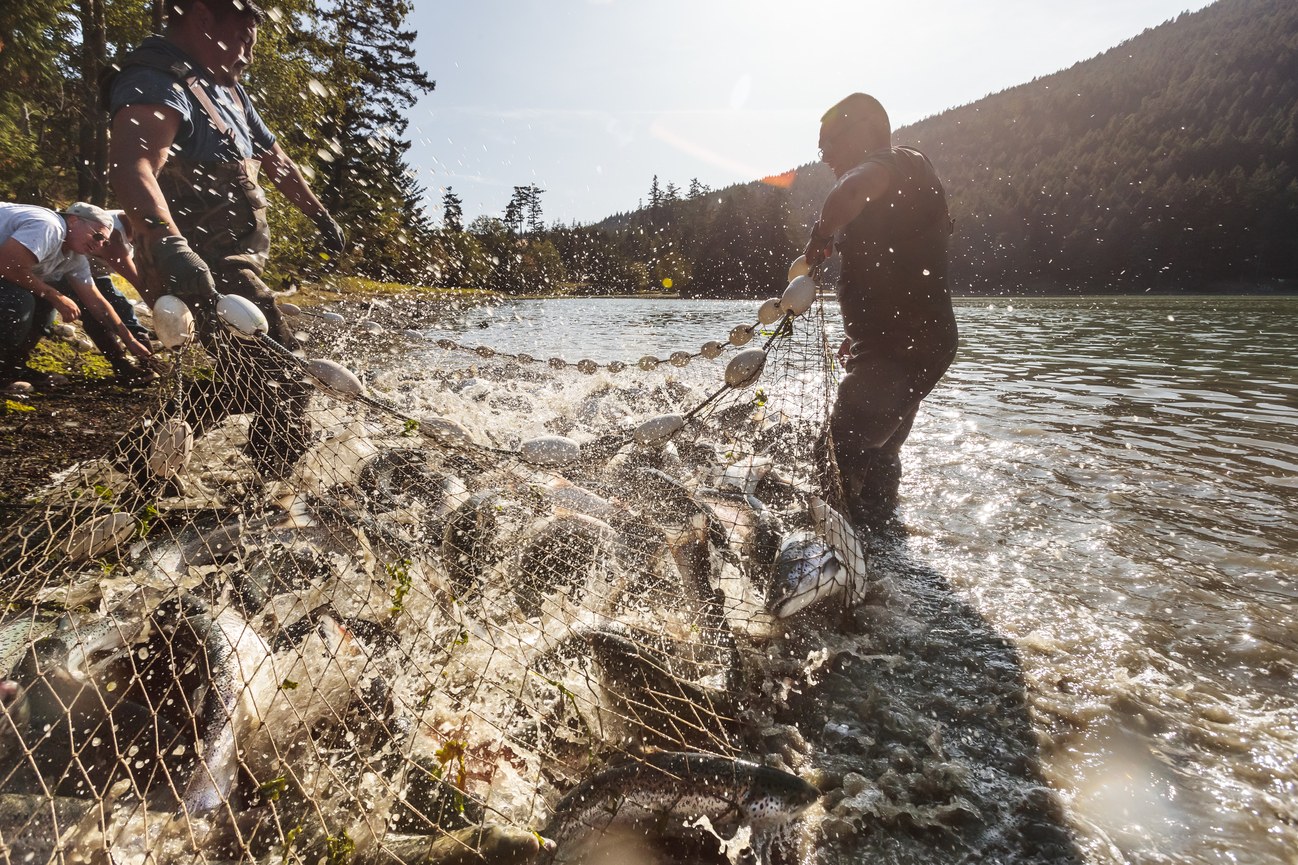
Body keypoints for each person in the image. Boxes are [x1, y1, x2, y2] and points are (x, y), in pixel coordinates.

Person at [104, 0, 346, 478]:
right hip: (201, 267)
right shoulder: (156, 81)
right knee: (285, 375)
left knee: (242, 379)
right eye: (242, 39)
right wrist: (169, 245)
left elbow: (276, 161)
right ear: (202, 17)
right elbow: (132, 167)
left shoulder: (227, 93)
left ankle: (138, 457)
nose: (248, 54)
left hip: (237, 265)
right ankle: (276, 489)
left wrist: (319, 215)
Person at [804, 93, 958, 535]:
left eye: (829, 142)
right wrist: (861, 333)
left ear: (864, 132)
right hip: (904, 344)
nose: (825, 156)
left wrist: (819, 237)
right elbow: (894, 268)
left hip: (901, 350)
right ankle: (881, 544)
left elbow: (850, 190)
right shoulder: (898, 183)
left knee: (836, 453)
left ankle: (835, 557)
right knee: (880, 452)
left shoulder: (893, 164)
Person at [0, 201, 153, 389]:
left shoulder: (74, 258)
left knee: (44, 310)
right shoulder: (49, 226)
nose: (98, 245)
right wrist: (55, 295)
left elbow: (96, 302)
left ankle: (11, 367)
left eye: (103, 242)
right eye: (97, 236)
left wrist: (130, 340)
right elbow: (7, 265)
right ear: (73, 220)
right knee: (19, 302)